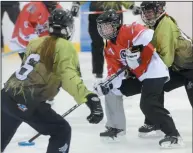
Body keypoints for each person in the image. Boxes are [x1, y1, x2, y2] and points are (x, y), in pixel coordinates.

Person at [1, 9, 104, 153]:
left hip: (6, 96)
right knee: (61, 130)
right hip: (27, 102)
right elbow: (69, 76)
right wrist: (88, 97)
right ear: (69, 28)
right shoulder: (65, 46)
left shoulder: (34, 42)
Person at [94, 9, 183, 148]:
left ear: (116, 25)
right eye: (102, 27)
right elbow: (116, 73)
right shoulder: (109, 48)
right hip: (140, 76)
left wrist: (136, 50)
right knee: (112, 92)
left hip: (154, 71)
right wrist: (107, 84)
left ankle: (173, 135)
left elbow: (150, 35)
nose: (104, 30)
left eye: (107, 26)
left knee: (147, 104)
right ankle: (117, 128)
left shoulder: (129, 29)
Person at [137, 1, 193, 138]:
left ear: (159, 10)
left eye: (149, 12)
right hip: (179, 68)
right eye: (144, 12)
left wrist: (144, 68)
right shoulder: (155, 23)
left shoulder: (165, 25)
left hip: (189, 69)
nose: (146, 15)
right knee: (156, 85)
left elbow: (166, 59)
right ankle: (153, 121)